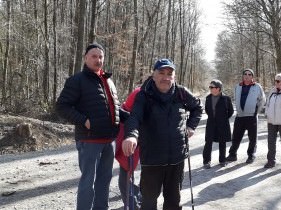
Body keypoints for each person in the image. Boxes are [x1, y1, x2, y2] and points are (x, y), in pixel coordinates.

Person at [121, 58, 203, 210]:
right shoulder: (144, 95)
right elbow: (134, 117)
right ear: (153, 75)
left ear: (174, 77)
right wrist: (131, 135)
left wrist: (191, 126)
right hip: (152, 159)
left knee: (173, 201)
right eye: (161, 73)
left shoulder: (181, 93)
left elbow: (198, 107)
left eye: (169, 74)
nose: (166, 77)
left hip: (177, 159)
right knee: (149, 202)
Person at [56, 43, 128, 210]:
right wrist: (84, 121)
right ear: (86, 58)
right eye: (94, 56)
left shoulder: (108, 81)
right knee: (88, 181)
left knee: (105, 179)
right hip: (89, 141)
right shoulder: (77, 81)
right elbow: (62, 106)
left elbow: (114, 109)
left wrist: (133, 118)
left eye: (101, 56)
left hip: (109, 140)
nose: (98, 60)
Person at [226, 69, 266, 164]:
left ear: (252, 76)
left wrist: (256, 111)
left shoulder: (257, 87)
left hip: (251, 116)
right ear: (243, 76)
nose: (247, 76)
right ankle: (232, 154)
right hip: (240, 116)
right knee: (236, 136)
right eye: (245, 74)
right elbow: (236, 99)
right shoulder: (238, 86)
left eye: (249, 74)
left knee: (252, 138)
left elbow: (262, 99)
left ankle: (251, 155)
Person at [115, 87, 141, 208]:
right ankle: (133, 204)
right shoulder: (140, 93)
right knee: (126, 172)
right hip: (130, 134)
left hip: (137, 135)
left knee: (126, 176)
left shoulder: (143, 92)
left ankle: (135, 202)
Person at [202, 79, 234, 169]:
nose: (211, 89)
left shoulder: (226, 99)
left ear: (219, 88)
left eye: (212, 87)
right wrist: (214, 118)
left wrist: (223, 118)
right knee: (208, 142)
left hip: (223, 124)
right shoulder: (208, 98)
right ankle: (206, 161)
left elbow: (230, 111)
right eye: (210, 87)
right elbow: (207, 110)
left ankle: (222, 160)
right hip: (211, 123)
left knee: (222, 142)